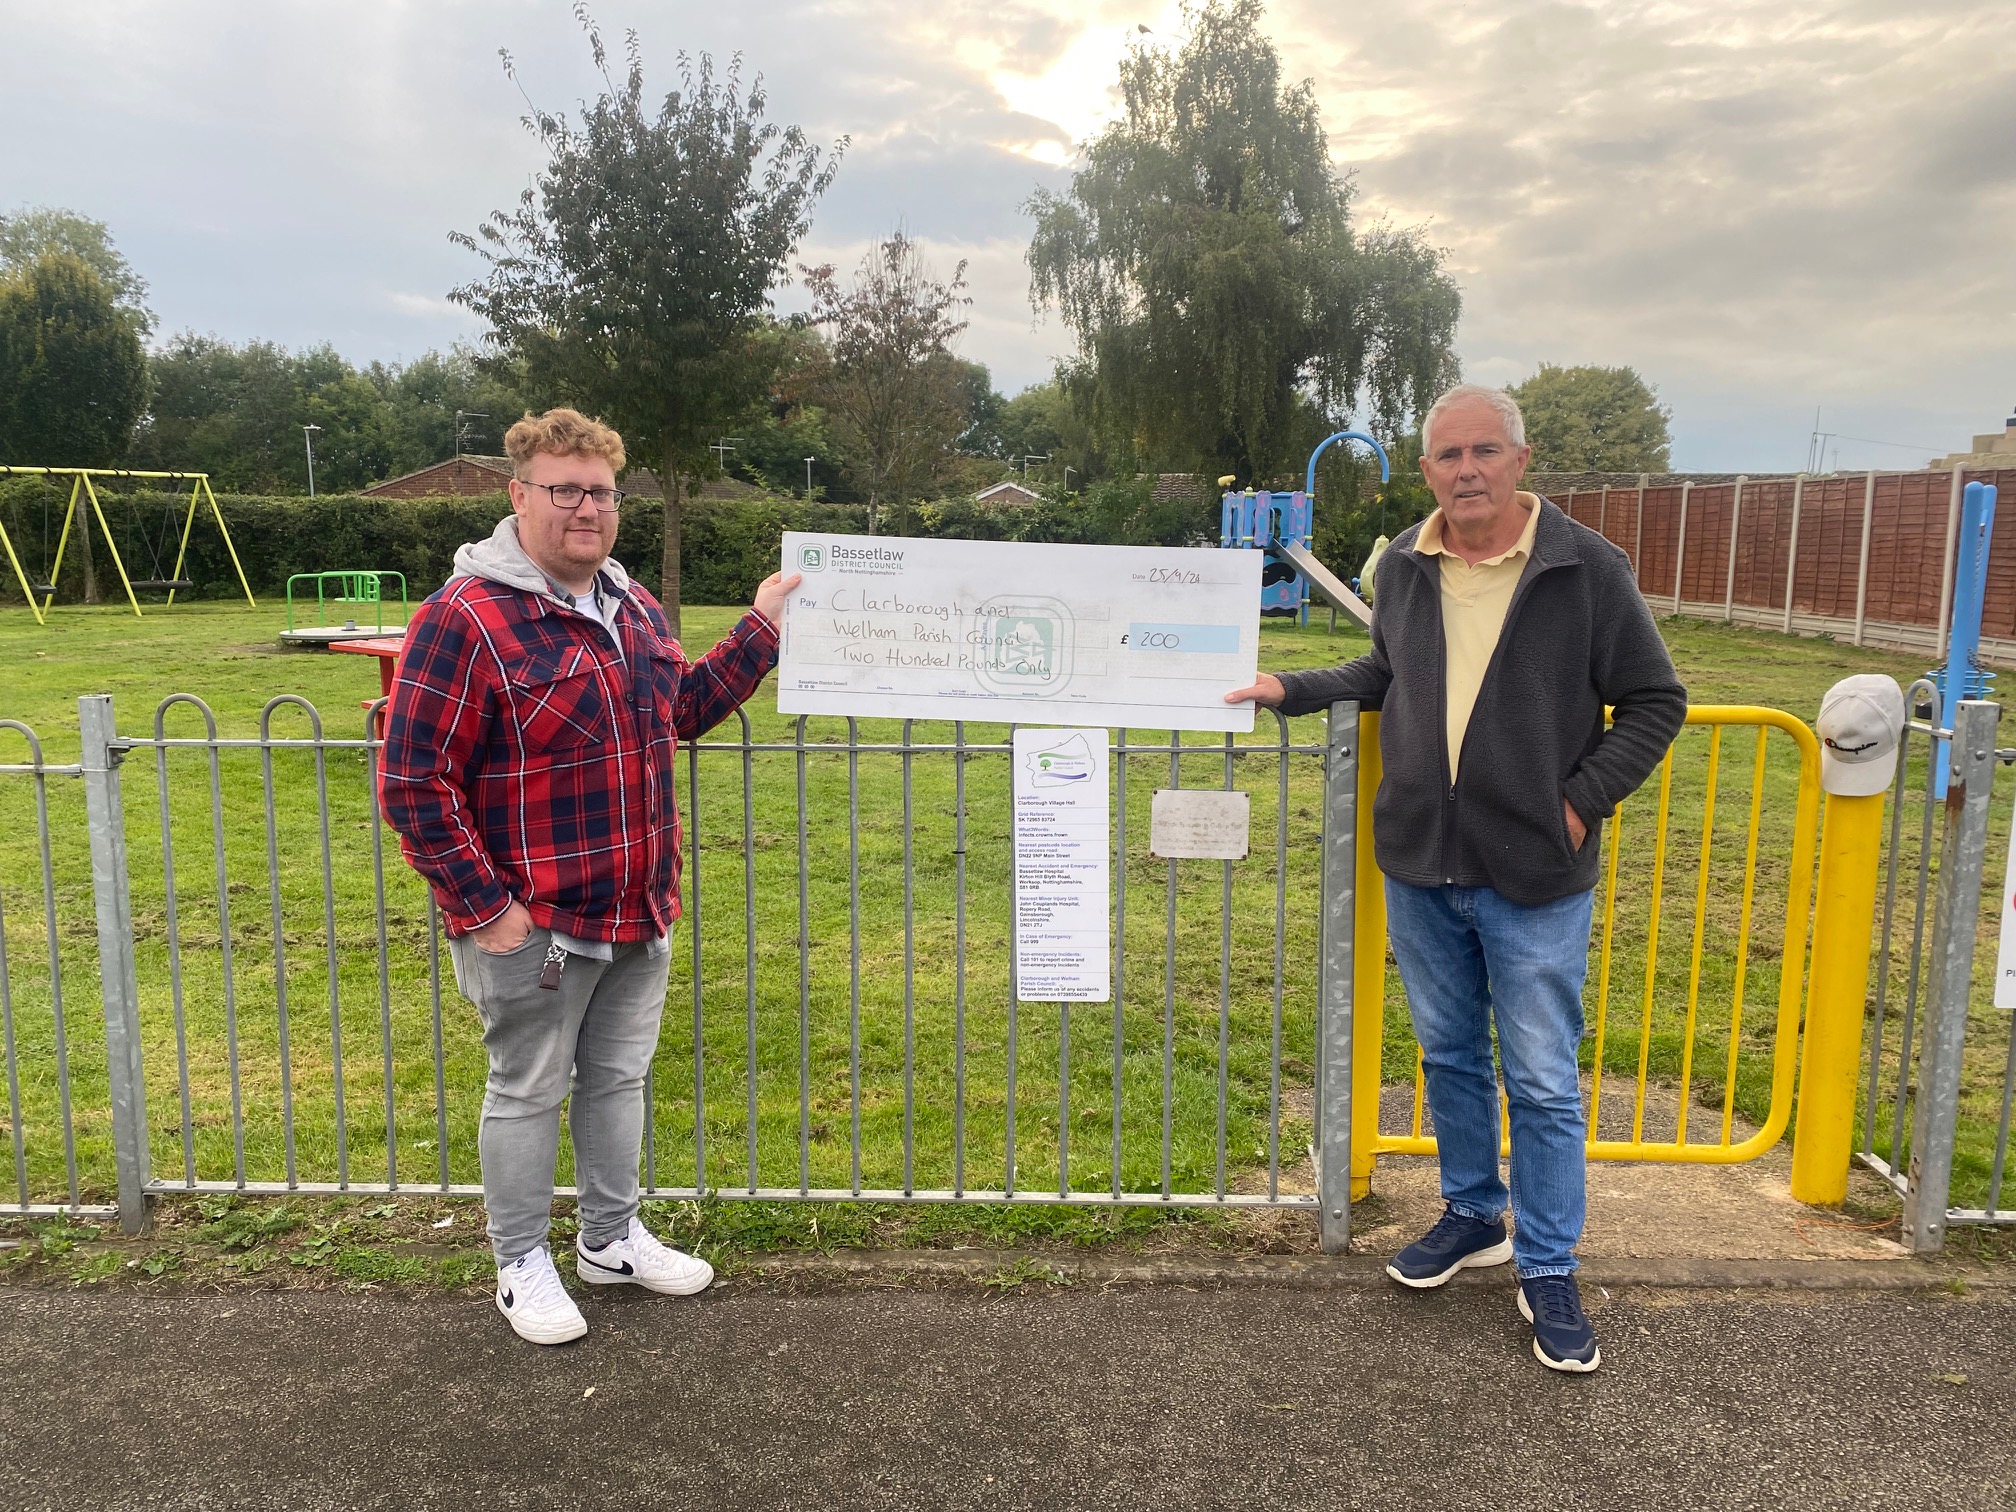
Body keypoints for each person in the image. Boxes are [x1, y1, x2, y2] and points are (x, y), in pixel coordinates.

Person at [1226, 384, 1686, 1373]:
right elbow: (1385, 675)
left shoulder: (1586, 570)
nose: (1466, 469)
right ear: (1426, 468)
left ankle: (1550, 1263)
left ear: (1523, 460)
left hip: (1534, 871)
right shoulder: (1405, 563)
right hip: (1423, 865)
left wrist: (1574, 804)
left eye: (1485, 450)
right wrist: (1289, 689)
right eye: (1447, 455)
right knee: (1450, 1056)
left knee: (1543, 1078)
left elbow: (1655, 700)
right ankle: (1477, 1214)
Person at [379, 407, 798, 1346]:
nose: (586, 509)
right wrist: (489, 911)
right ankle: (519, 1261)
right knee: (526, 1087)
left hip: (637, 907)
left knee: (617, 1081)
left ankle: (609, 1239)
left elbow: (679, 710)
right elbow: (412, 779)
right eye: (564, 490)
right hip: (533, 923)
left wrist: (761, 626)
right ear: (518, 495)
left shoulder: (632, 603)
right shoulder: (465, 618)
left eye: (601, 492)